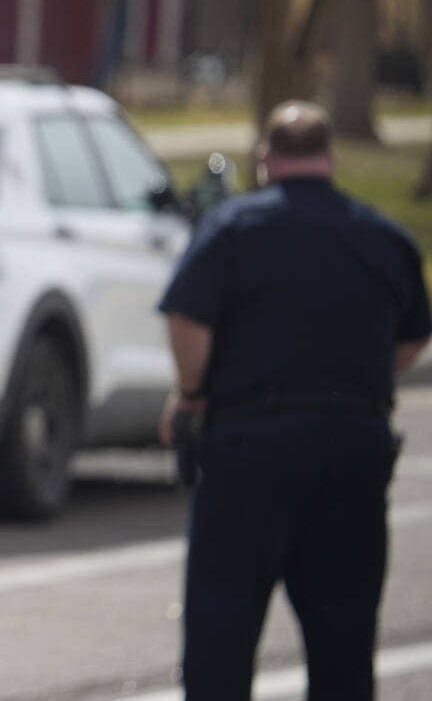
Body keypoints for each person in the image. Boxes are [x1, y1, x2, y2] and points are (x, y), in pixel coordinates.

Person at [157, 100, 431, 700]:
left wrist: (194, 394)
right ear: (329, 158)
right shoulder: (384, 236)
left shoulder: (231, 229)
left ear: (265, 159)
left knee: (222, 634)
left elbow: (187, 321)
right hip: (353, 447)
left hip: (249, 447)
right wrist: (352, 383)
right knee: (344, 634)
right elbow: (413, 337)